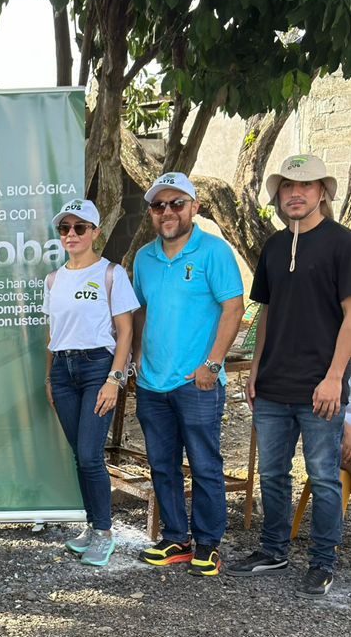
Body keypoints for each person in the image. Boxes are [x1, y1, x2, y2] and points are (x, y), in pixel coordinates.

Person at [226, 155, 351, 598]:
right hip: (274, 386)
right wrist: (255, 369)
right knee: (273, 475)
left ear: (322, 192)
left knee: (321, 477)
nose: (295, 194)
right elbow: (268, 312)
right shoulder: (274, 247)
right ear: (278, 196)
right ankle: (273, 550)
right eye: (286, 188)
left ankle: (322, 562)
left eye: (305, 186)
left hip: (321, 388)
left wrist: (335, 377)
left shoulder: (343, 243)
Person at [132, 172, 244, 577]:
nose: (168, 212)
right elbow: (140, 310)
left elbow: (234, 308)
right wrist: (138, 357)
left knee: (204, 464)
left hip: (197, 382)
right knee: (162, 464)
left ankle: (209, 543)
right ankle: (176, 538)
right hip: (151, 382)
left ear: (194, 207)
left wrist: (213, 365)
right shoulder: (144, 257)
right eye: (159, 205)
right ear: (151, 213)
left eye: (177, 203)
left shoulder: (214, 252)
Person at [42, 198, 137, 567]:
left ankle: (104, 532)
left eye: (80, 228)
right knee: (79, 456)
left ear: (95, 232)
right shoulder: (53, 279)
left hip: (98, 366)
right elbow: (53, 334)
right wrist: (50, 377)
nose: (71, 234)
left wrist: (115, 378)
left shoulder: (111, 273)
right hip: (63, 372)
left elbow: (125, 331)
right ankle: (91, 525)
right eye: (64, 228)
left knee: (89, 454)